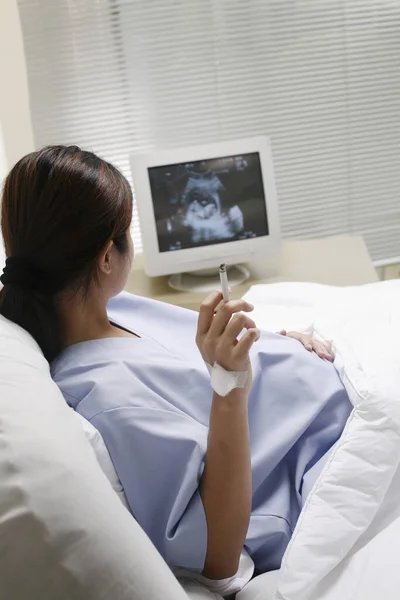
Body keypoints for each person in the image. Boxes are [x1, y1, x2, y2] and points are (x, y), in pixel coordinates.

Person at [0, 146, 352, 580]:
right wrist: (230, 385)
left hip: (327, 382)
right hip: (332, 443)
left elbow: (183, 366)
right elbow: (216, 554)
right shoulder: (109, 400)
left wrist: (272, 347)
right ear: (107, 257)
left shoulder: (109, 307)